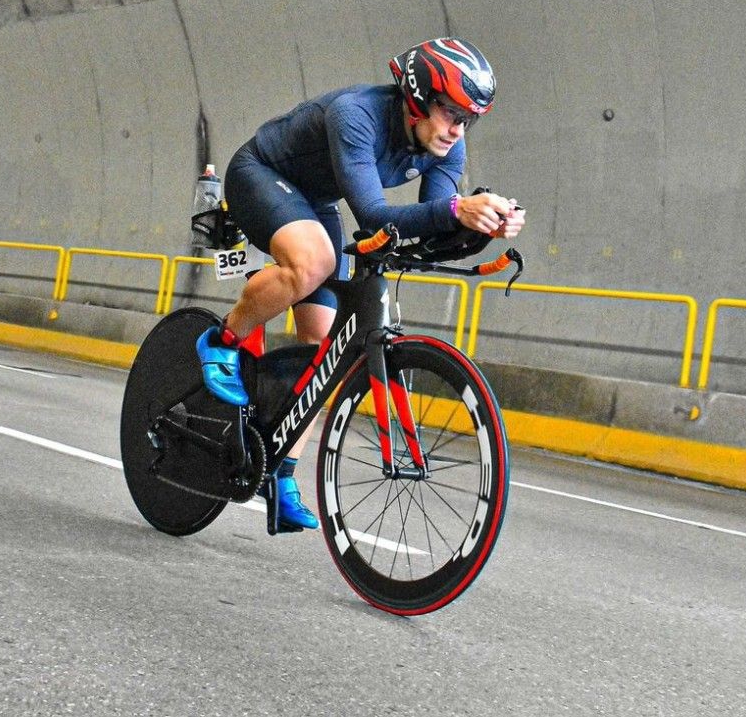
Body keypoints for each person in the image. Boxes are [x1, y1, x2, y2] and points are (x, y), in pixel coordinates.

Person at [196, 37, 526, 530]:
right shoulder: (357, 115)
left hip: (315, 202)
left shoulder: (445, 148)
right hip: (260, 174)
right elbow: (374, 215)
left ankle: (279, 469)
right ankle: (222, 339)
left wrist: (477, 228)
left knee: (326, 345)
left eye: (469, 119)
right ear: (415, 97)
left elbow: (427, 229)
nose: (458, 129)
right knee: (314, 261)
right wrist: (458, 210)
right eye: (450, 113)